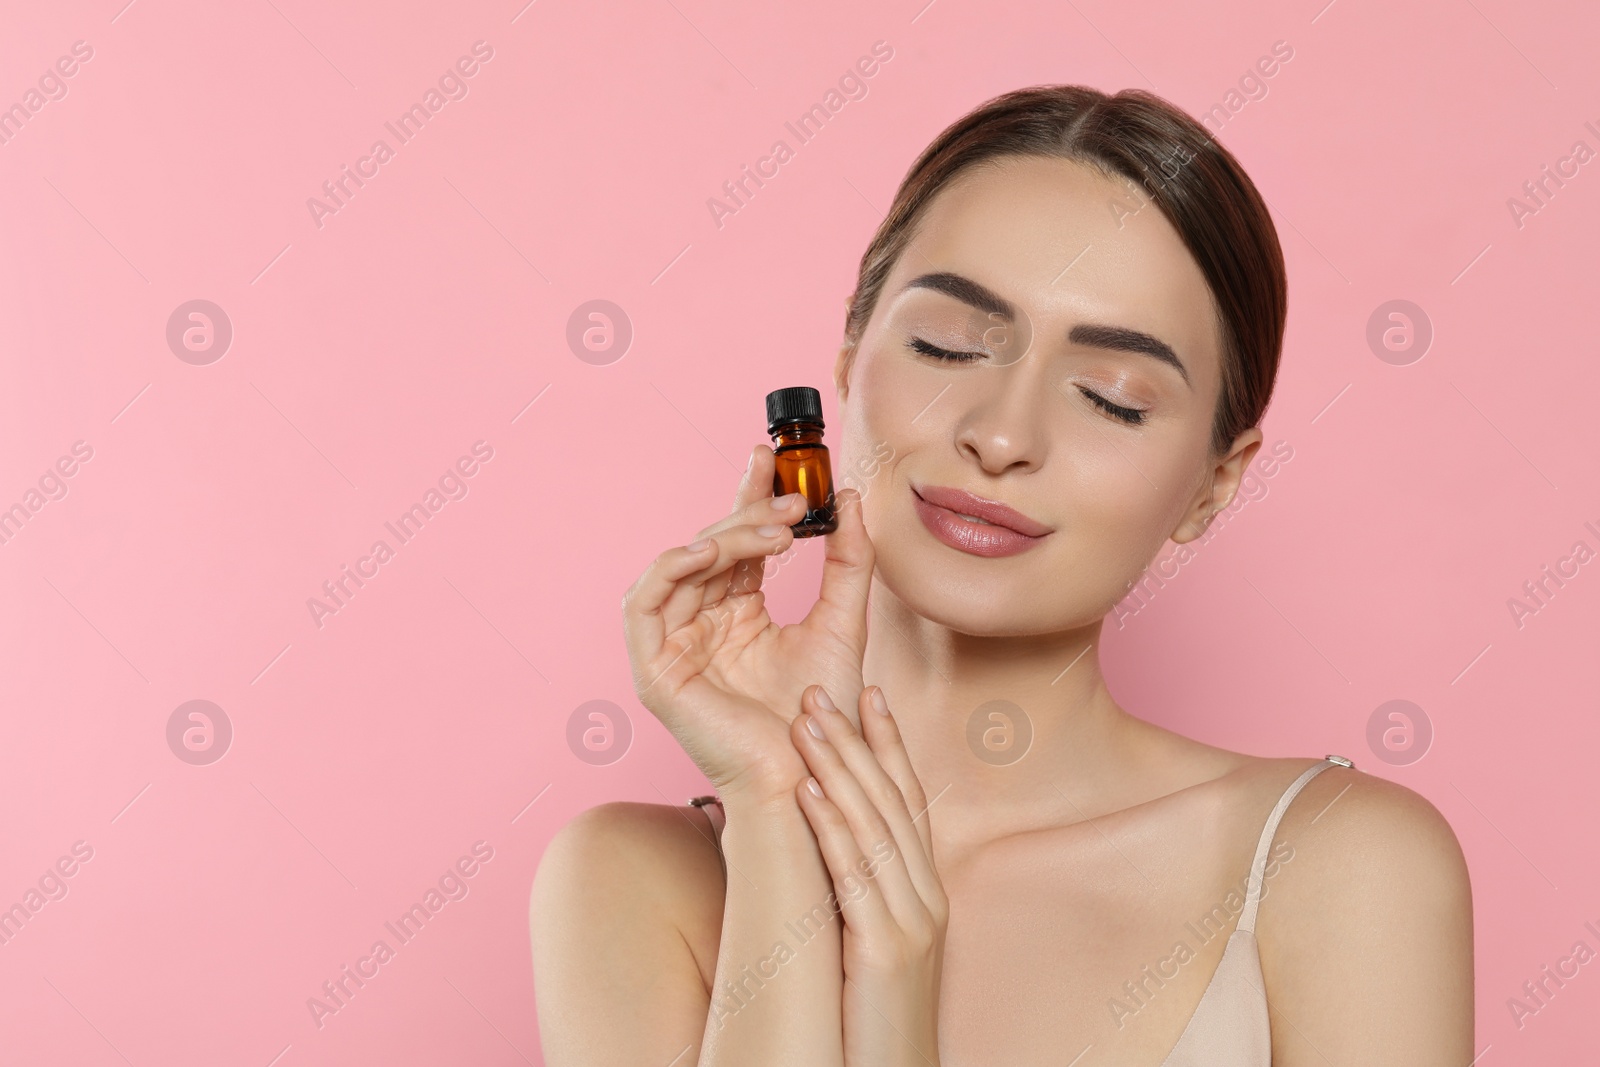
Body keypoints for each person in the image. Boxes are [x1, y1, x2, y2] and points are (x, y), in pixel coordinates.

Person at [529, 84, 1473, 1067]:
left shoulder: (1338, 865)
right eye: (944, 346)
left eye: (1112, 400)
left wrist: (897, 1014)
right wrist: (773, 807)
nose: (1001, 435)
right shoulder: (632, 881)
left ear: (1211, 483)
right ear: (850, 358)